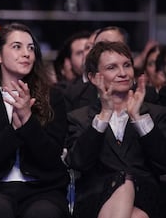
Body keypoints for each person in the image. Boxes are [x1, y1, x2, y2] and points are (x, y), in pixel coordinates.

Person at [0, 22, 69, 218]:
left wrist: (28, 121)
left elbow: (52, 159)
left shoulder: (53, 97)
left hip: (43, 189)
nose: (26, 53)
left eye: (31, 48)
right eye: (17, 47)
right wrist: (13, 130)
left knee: (43, 213)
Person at [65, 41, 166, 218]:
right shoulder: (79, 117)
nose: (122, 73)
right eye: (112, 67)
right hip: (97, 198)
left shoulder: (155, 114)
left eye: (127, 65)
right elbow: (79, 162)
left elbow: (163, 162)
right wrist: (104, 115)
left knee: (127, 182)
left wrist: (138, 118)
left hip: (145, 194)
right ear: (94, 77)